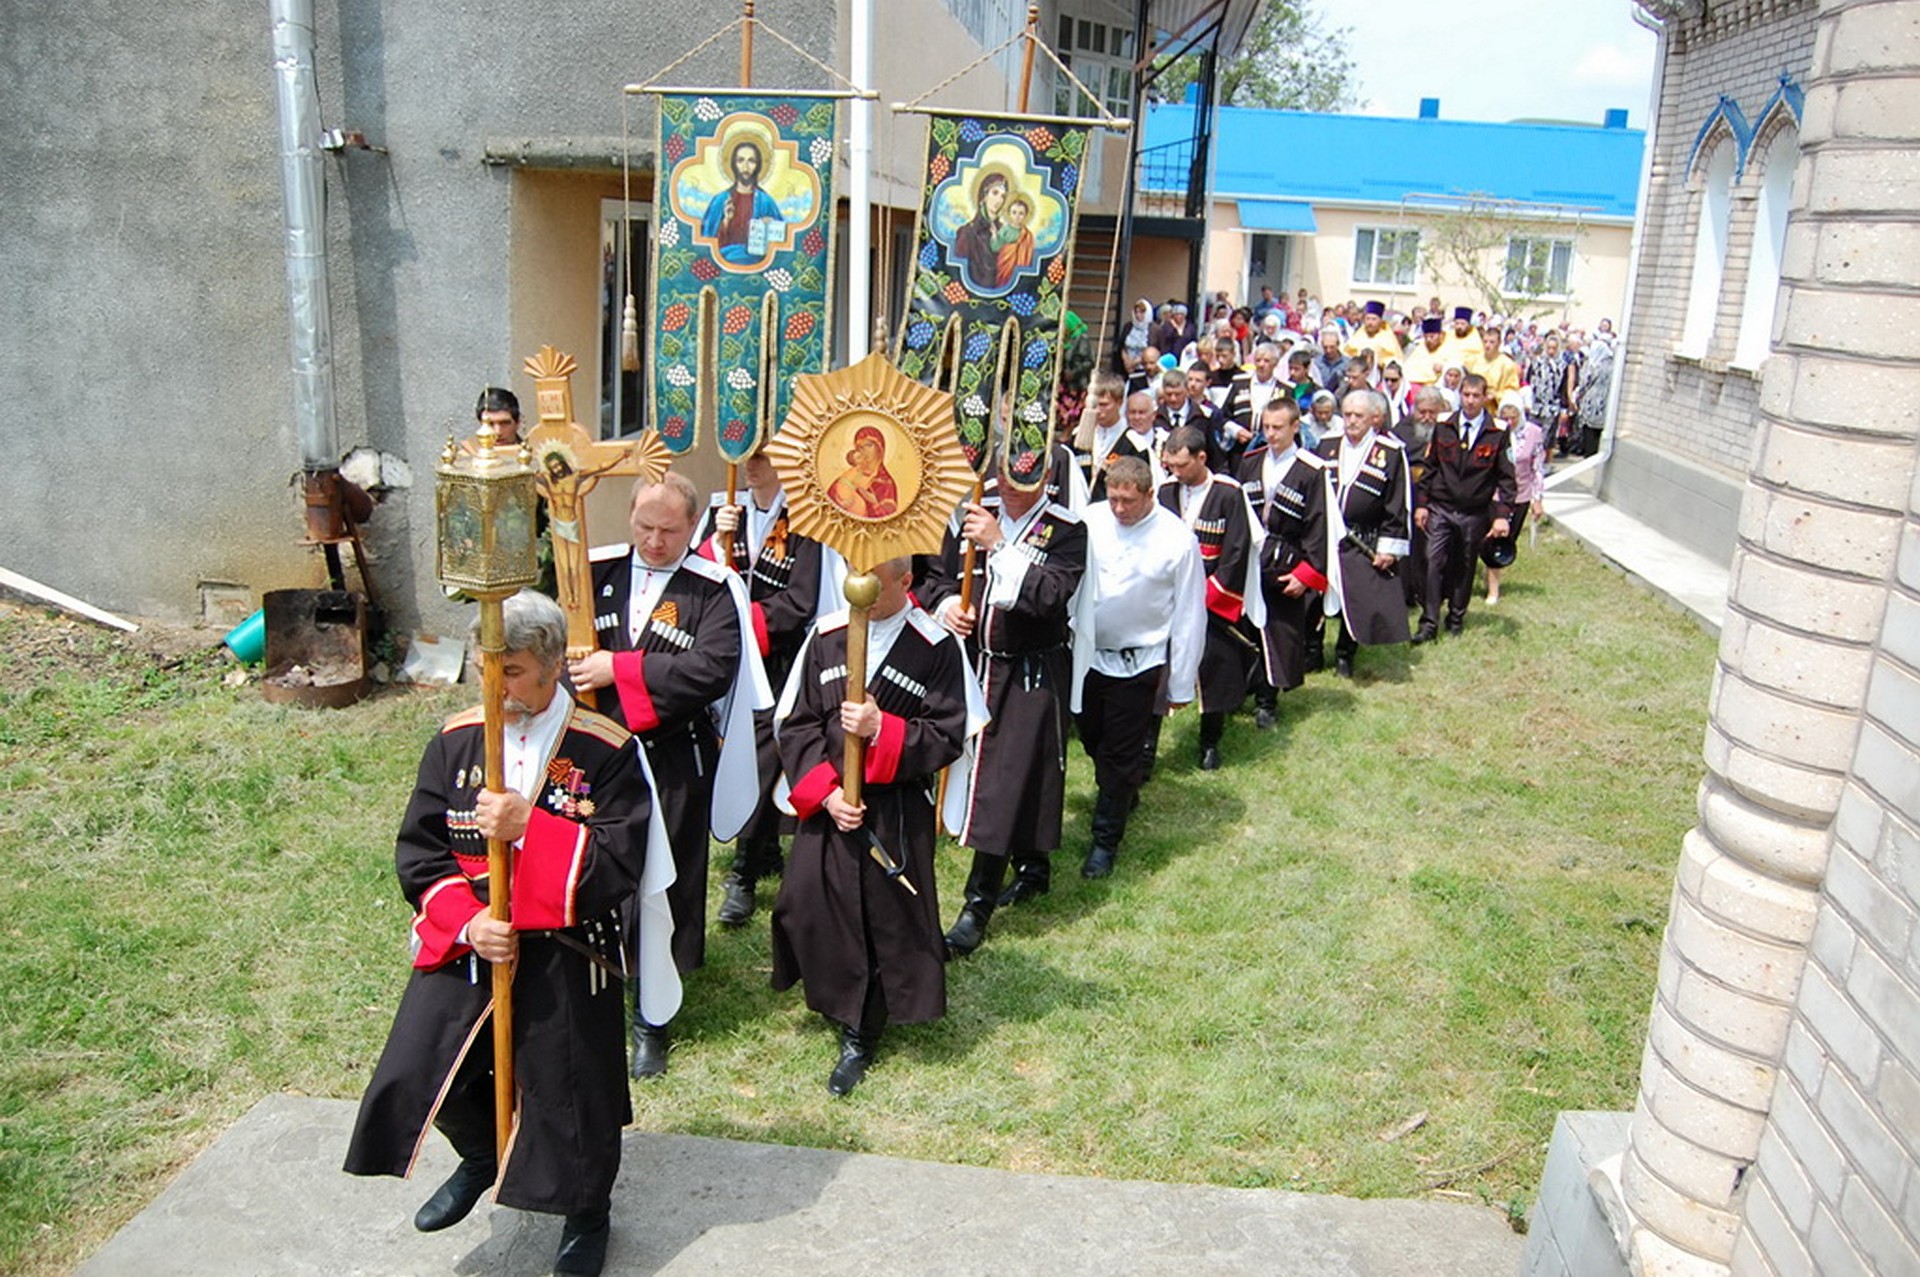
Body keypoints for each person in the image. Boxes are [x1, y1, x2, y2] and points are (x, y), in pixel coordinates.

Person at [343, 590, 655, 1277]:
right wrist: (471, 921)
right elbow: (419, 852)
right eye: (489, 667)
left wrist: (531, 831)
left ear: (550, 666)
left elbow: (617, 866)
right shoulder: (457, 738)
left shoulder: (604, 750)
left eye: (511, 670)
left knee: (571, 1090)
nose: (497, 685)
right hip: (473, 939)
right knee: (425, 1066)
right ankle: (482, 1151)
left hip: (568, 946)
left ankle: (585, 1211)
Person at [575, 472, 768, 1077]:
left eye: (670, 530)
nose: (655, 541)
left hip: (672, 754)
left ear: (694, 526)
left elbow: (710, 670)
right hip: (595, 758)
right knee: (593, 870)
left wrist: (620, 669)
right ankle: (594, 981)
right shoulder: (593, 573)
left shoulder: (713, 588)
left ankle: (653, 1015)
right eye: (644, 527)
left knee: (665, 880)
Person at [770, 557, 975, 1095]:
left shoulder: (935, 646)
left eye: (875, 584)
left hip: (893, 806)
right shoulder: (828, 635)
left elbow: (946, 734)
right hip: (832, 799)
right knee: (810, 902)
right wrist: (828, 793)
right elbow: (798, 724)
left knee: (879, 916)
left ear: (906, 582)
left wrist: (884, 729)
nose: (860, 593)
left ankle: (863, 1027)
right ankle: (831, 992)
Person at [920, 457, 1088, 948]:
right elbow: (934, 578)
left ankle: (977, 905)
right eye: (1007, 476)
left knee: (1004, 780)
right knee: (989, 774)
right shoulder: (973, 512)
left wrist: (999, 545)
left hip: (1028, 668)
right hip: (973, 665)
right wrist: (948, 604)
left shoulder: (1065, 529)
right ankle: (1033, 865)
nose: (1012, 488)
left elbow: (1050, 595)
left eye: (1025, 479)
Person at [699, 447, 835, 926]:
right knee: (732, 751)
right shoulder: (724, 510)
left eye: (760, 455)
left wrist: (738, 621)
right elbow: (703, 579)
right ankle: (763, 849)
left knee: (764, 756)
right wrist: (718, 542)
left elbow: (800, 601)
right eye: (743, 455)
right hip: (730, 656)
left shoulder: (804, 519)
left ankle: (743, 873)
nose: (749, 464)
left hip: (779, 659)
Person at [1077, 457, 1205, 879]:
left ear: (1149, 494)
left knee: (1120, 750)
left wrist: (1182, 682)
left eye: (1128, 501)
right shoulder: (1091, 522)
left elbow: (1188, 614)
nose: (1119, 509)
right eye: (1113, 499)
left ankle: (1105, 839)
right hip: (1090, 654)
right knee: (1093, 738)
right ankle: (1121, 788)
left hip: (1140, 661)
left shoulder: (1176, 539)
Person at [1158, 424, 1261, 770]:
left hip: (1211, 598)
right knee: (1159, 669)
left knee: (1213, 668)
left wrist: (1208, 595)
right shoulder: (1165, 491)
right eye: (1170, 465)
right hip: (1168, 599)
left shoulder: (1229, 494)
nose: (1175, 472)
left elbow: (1236, 549)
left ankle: (1210, 741)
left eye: (1182, 465)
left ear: (1202, 458)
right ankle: (1146, 747)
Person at [1239, 398, 1327, 728]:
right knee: (1246, 629)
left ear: (1294, 427)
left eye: (1278, 428)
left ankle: (1267, 702)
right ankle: (1244, 688)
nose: (1271, 434)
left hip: (1287, 559)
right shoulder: (1249, 462)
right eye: (1266, 427)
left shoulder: (1311, 469)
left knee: (1278, 633)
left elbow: (1319, 525)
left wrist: (1306, 574)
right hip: (1251, 559)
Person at [1412, 373, 1515, 643]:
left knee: (1465, 566)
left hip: (1474, 512)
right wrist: (1422, 504)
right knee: (1433, 562)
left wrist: (1502, 516)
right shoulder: (1444, 425)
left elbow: (1507, 478)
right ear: (1460, 395)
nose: (1470, 401)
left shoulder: (1498, 432)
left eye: (1475, 396)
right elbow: (1430, 467)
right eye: (1465, 395)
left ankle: (1456, 617)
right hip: (1442, 507)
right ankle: (1429, 622)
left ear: (1485, 397)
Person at [1318, 389, 1412, 678]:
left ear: (1374, 418)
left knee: (1356, 598)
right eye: (1346, 415)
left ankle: (1345, 654)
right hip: (1325, 536)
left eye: (1358, 416)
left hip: (1363, 537)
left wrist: (1389, 548)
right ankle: (1312, 651)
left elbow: (1399, 502)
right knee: (1315, 598)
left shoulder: (1391, 452)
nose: (1351, 421)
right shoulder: (1327, 445)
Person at [1486, 393, 1546, 606]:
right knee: (1493, 538)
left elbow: (1537, 468)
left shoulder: (1533, 433)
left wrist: (1537, 499)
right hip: (1495, 495)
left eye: (1514, 417)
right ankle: (1492, 589)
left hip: (1520, 495)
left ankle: (1493, 577)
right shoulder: (1494, 431)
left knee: (1506, 540)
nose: (1509, 422)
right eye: (1506, 417)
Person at [1073, 372, 1158, 501]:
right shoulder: (1078, 437)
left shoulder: (1135, 445)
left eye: (1104, 405)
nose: (1097, 411)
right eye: (1094, 405)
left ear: (1119, 402)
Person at [702, 138, 784, 264]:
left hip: (758, 265)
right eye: (740, 160)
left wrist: (771, 225)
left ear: (758, 165)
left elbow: (782, 243)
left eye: (751, 161)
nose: (745, 167)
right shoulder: (720, 200)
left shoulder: (766, 202)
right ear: (733, 164)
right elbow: (706, 240)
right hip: (725, 262)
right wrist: (726, 222)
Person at [950, 171, 1009, 291]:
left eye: (1002, 196)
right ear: (984, 196)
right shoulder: (967, 232)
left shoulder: (1004, 232)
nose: (999, 200)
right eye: (995, 193)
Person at [1572, 336, 1615, 457]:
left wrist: (1578, 395)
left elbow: (1586, 382)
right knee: (1599, 431)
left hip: (1591, 401)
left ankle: (1588, 452)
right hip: (1605, 402)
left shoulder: (1593, 364)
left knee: (1589, 430)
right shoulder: (1612, 365)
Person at [991, 195, 1037, 287]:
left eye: (1021, 213)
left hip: (1019, 267)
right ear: (1009, 213)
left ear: (1026, 215)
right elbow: (995, 247)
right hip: (1005, 264)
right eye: (1014, 212)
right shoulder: (1005, 230)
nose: (1017, 216)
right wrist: (995, 236)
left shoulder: (1027, 235)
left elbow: (1029, 252)